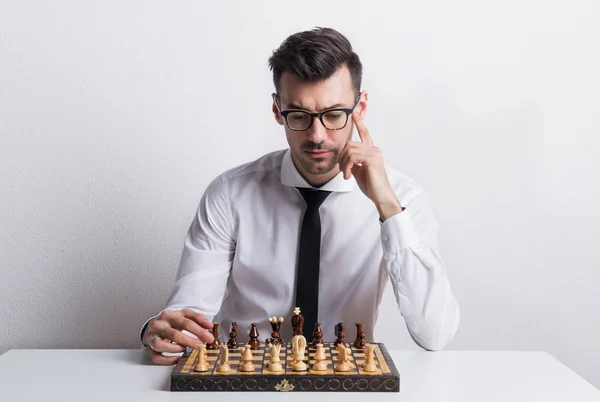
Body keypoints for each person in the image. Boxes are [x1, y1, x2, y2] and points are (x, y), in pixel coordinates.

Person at [141, 27, 460, 365]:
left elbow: (435, 334)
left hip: (342, 384)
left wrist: (389, 210)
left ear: (360, 107)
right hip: (246, 383)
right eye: (299, 116)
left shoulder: (404, 198)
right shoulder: (229, 194)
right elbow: (185, 326)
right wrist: (160, 334)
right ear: (277, 110)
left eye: (335, 114)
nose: (317, 135)